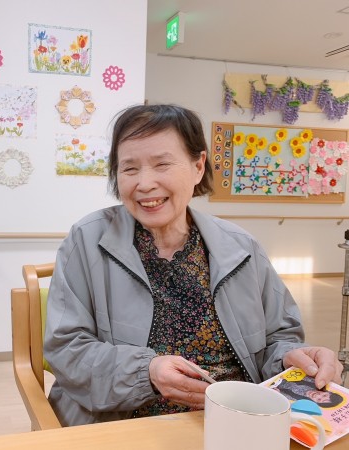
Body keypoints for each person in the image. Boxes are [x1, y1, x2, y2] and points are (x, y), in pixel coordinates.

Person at [43, 104, 344, 426]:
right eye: (129, 168)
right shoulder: (86, 240)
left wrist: (291, 358)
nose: (144, 183)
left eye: (162, 164)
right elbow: (66, 349)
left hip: (236, 417)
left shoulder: (241, 247)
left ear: (198, 166)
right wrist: (146, 372)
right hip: (126, 423)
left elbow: (279, 337)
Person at [272, 376, 345, 408]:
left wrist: (278, 393)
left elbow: (284, 396)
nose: (317, 395)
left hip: (273, 385)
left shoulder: (299, 400)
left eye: (319, 399)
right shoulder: (315, 382)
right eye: (324, 395)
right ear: (329, 392)